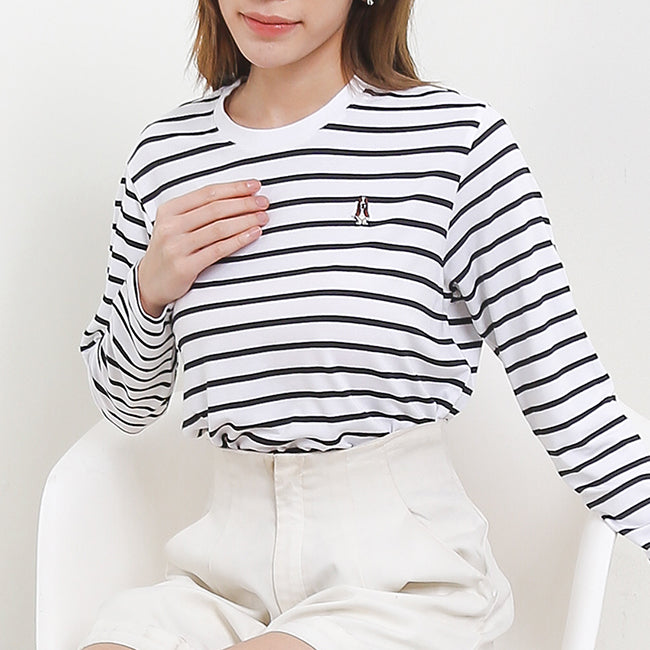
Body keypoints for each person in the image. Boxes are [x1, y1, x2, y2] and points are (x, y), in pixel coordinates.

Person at [76, 1, 650, 649]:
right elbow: (124, 407)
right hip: (221, 579)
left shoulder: (455, 144)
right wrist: (150, 289)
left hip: (403, 580)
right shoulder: (166, 156)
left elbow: (573, 402)